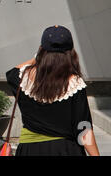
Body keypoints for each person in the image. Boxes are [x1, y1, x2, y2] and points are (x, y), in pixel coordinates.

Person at [6, 25, 99, 156]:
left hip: (30, 150)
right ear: (71, 52)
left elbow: (13, 71)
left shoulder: (22, 79)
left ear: (41, 49)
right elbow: (84, 129)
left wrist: (38, 56)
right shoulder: (74, 84)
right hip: (66, 150)